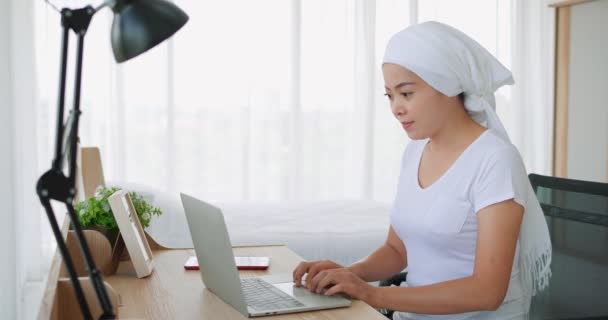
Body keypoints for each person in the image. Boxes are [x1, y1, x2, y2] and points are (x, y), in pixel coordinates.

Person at [292, 21, 552, 319]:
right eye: (390, 95)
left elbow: (487, 291)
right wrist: (349, 274)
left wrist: (373, 293)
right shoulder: (415, 151)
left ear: (448, 85)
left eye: (407, 93)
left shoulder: (495, 161)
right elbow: (397, 249)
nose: (396, 108)